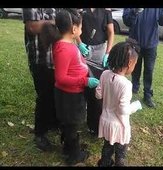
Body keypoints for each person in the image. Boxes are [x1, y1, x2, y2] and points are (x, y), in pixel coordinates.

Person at [40, 9, 99, 165]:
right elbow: (61, 77)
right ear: (74, 29)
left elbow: (73, 64)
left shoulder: (68, 44)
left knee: (71, 124)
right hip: (70, 96)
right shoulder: (64, 48)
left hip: (72, 93)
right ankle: (73, 155)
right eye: (81, 27)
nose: (82, 30)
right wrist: (85, 82)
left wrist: (80, 53)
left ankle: (70, 146)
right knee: (71, 124)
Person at [95, 38, 142, 167]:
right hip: (120, 126)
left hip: (106, 122)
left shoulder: (105, 74)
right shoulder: (126, 84)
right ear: (130, 63)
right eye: (135, 64)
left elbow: (98, 94)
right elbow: (123, 110)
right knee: (120, 153)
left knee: (107, 147)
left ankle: (104, 163)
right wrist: (136, 106)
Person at [22, 8, 60, 152]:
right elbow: (32, 27)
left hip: (57, 58)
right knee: (44, 96)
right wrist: (56, 22)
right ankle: (40, 133)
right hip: (40, 60)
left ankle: (53, 122)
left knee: (55, 93)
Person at [76, 8, 114, 137]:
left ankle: (94, 119)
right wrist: (80, 44)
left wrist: (108, 53)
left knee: (96, 85)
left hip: (100, 50)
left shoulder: (105, 10)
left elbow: (111, 32)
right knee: (82, 79)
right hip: (84, 48)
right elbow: (75, 28)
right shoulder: (81, 10)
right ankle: (80, 113)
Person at [122, 8, 163, 108]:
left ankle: (147, 95)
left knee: (149, 69)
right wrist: (134, 11)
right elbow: (126, 21)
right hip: (134, 43)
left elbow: (162, 21)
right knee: (134, 67)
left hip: (151, 43)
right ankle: (134, 88)